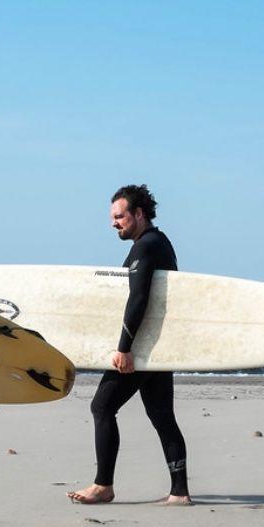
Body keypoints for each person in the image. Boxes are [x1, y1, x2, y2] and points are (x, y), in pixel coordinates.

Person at [67, 185, 192, 506]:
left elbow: (138, 299)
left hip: (142, 347)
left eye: (120, 216)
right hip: (160, 346)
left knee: (102, 407)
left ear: (138, 214)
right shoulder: (161, 243)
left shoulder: (145, 247)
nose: (114, 223)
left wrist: (124, 348)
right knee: (162, 415)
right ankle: (179, 492)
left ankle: (103, 485)